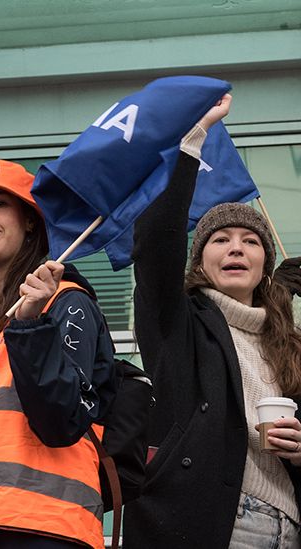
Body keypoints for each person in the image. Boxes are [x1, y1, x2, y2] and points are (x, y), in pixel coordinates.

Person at [125, 95, 301, 548]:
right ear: (200, 262)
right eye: (221, 239)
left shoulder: (289, 341)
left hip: (290, 522)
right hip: (214, 521)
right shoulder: (177, 322)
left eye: (250, 241)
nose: (237, 248)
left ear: (265, 263)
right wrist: (191, 145)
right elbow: (155, 243)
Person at [0, 159, 117, 549]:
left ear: (30, 220)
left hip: (46, 531)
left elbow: (62, 421)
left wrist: (30, 327)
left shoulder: (68, 305)